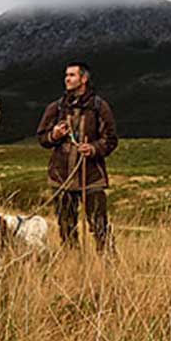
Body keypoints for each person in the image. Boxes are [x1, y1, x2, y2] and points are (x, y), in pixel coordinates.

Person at [36, 62, 118, 252]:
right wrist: (54, 135)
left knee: (99, 225)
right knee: (66, 227)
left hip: (91, 177)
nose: (67, 79)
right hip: (61, 176)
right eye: (66, 75)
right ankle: (72, 264)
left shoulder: (99, 107)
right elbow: (42, 138)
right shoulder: (56, 108)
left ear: (84, 79)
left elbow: (111, 140)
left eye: (72, 75)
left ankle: (108, 265)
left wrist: (94, 148)